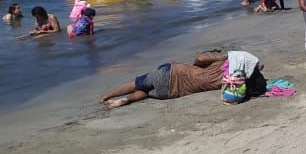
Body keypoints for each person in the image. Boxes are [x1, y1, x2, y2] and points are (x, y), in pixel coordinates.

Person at [98, 50, 235, 110]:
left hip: (169, 73)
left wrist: (222, 56)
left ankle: (107, 96)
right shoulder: (229, 81)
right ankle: (126, 100)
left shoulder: (223, 63)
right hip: (170, 93)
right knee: (146, 93)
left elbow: (199, 59)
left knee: (137, 84)